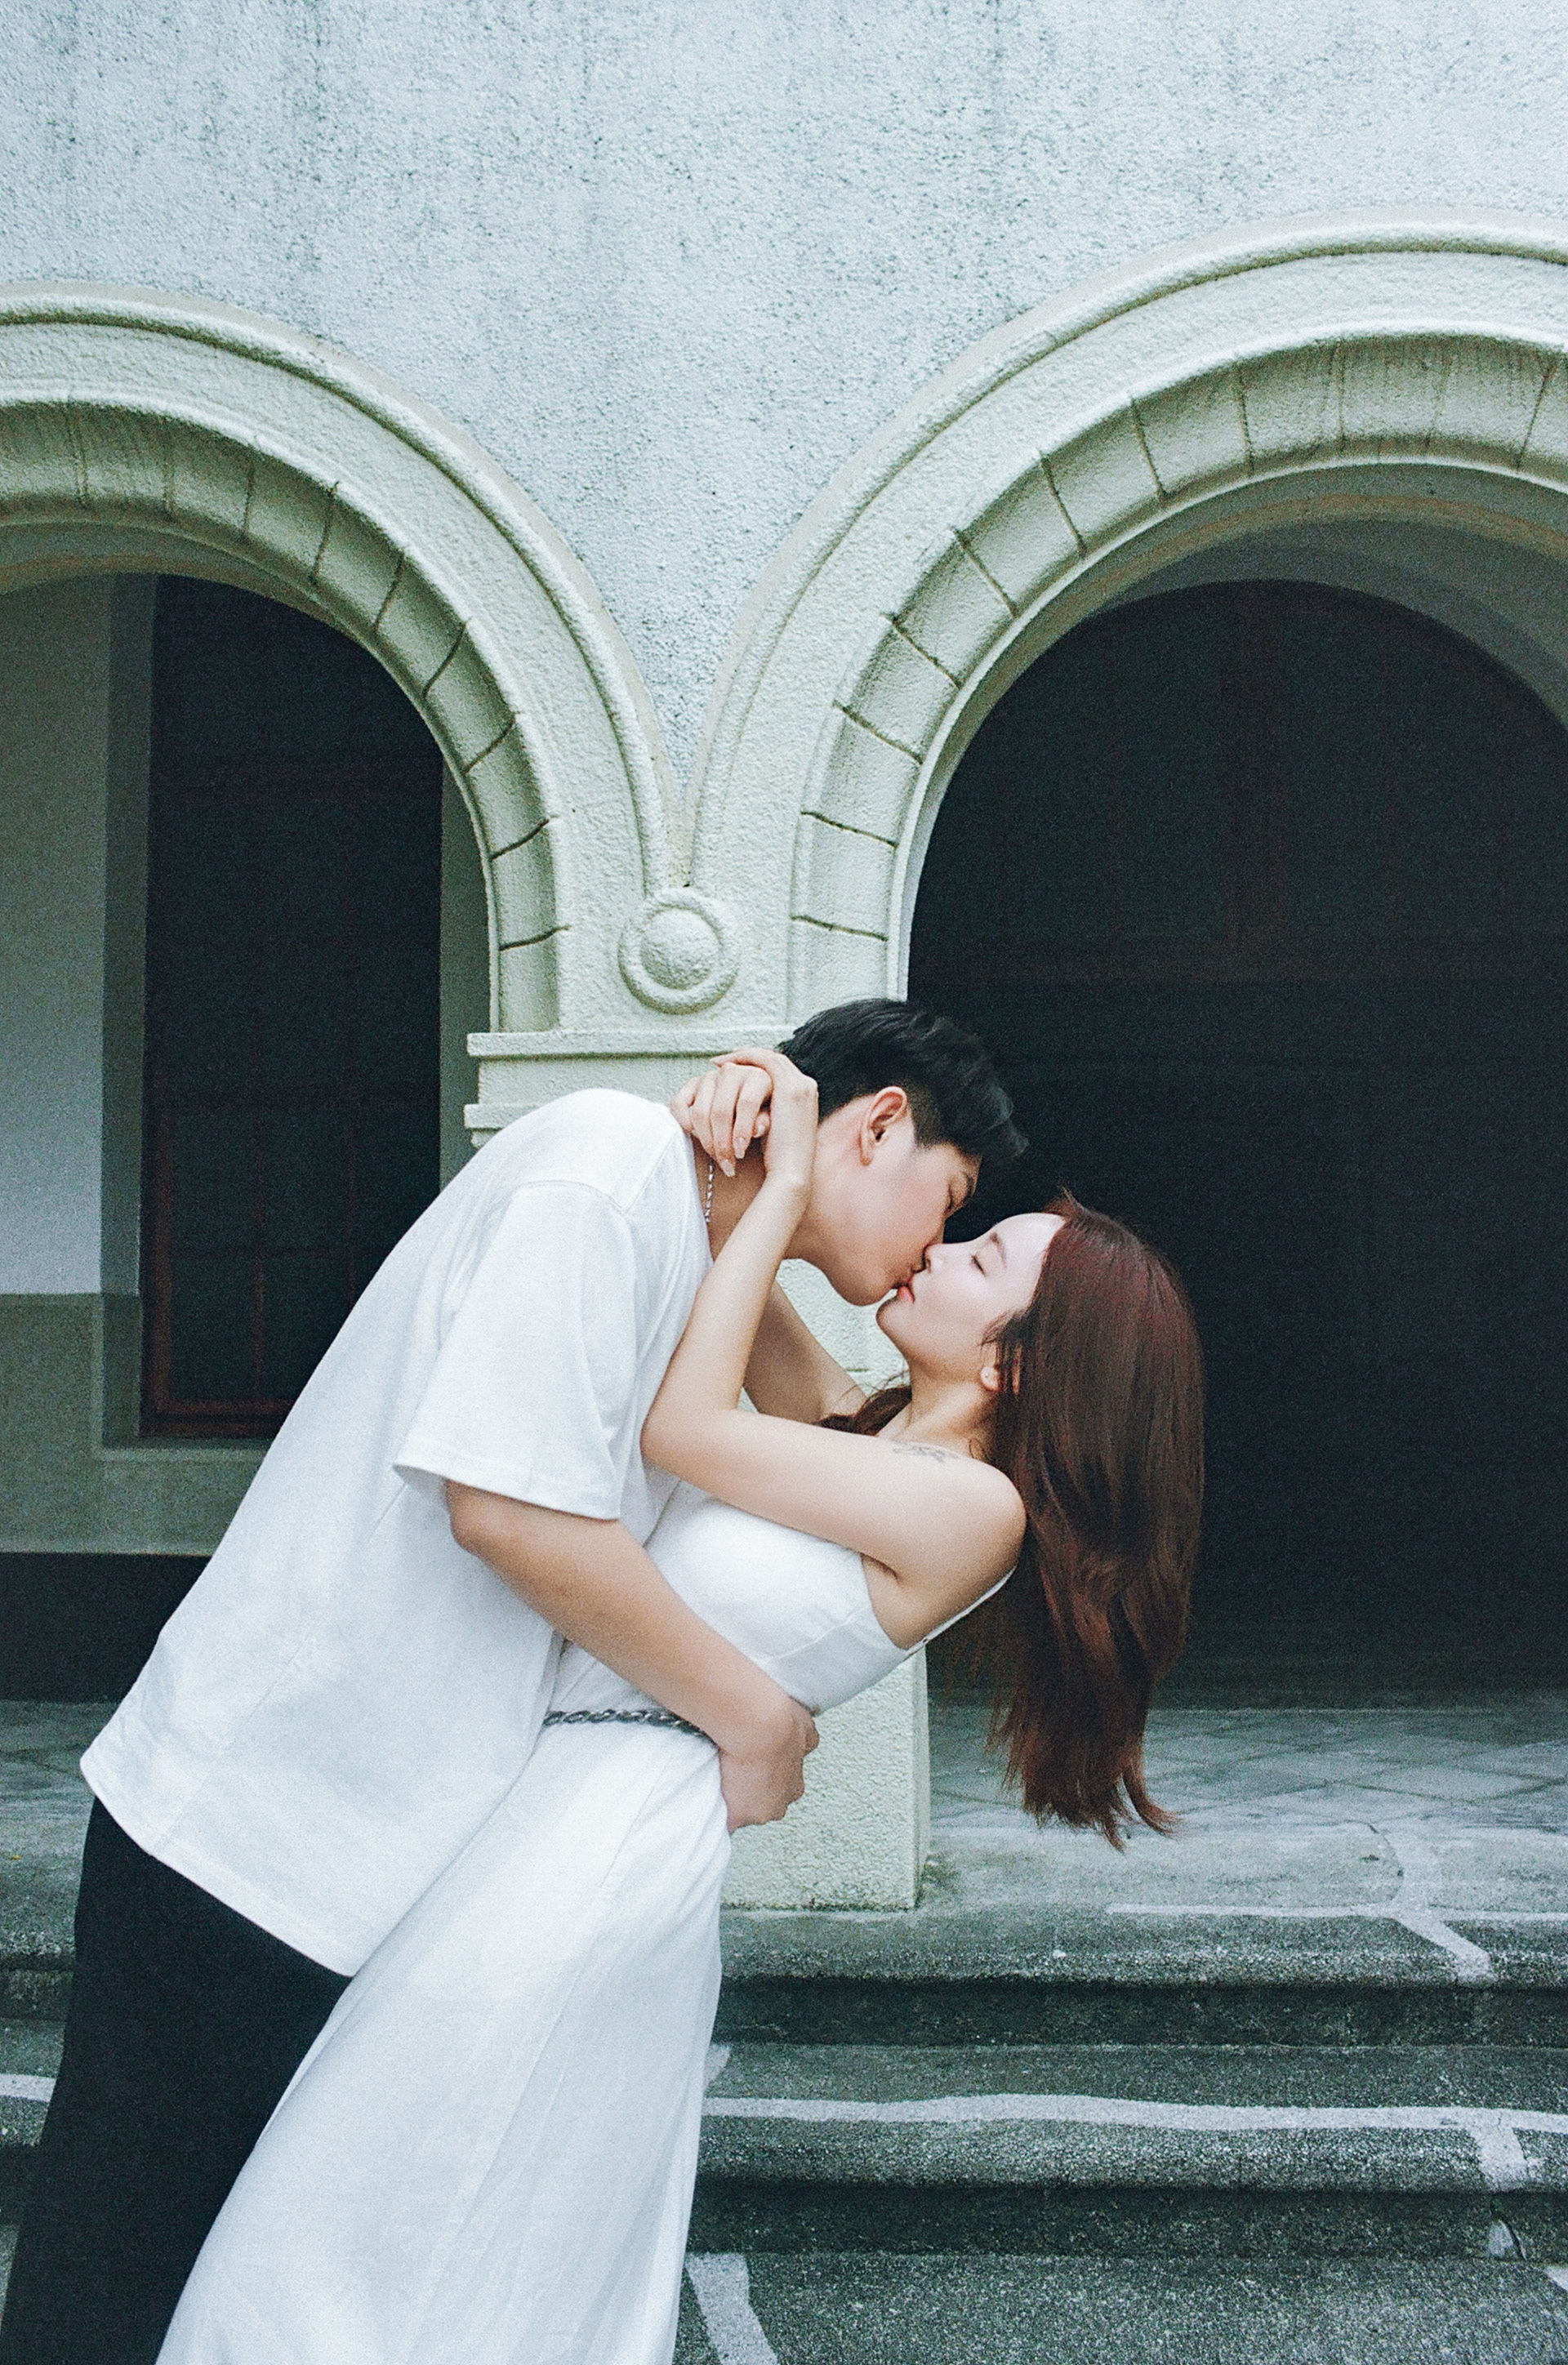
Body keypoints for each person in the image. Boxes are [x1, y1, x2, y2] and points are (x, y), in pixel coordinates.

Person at [0, 1000, 1022, 2365]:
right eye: (950, 1201)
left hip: (412, 1842)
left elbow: (853, 1432)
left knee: (263, 2285)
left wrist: (770, 1192)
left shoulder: (694, 1236)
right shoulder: (602, 1169)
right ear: (883, 1123)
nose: (936, 1244)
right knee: (121, 2283)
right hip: (266, 1811)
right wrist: (756, 1719)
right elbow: (511, 1512)